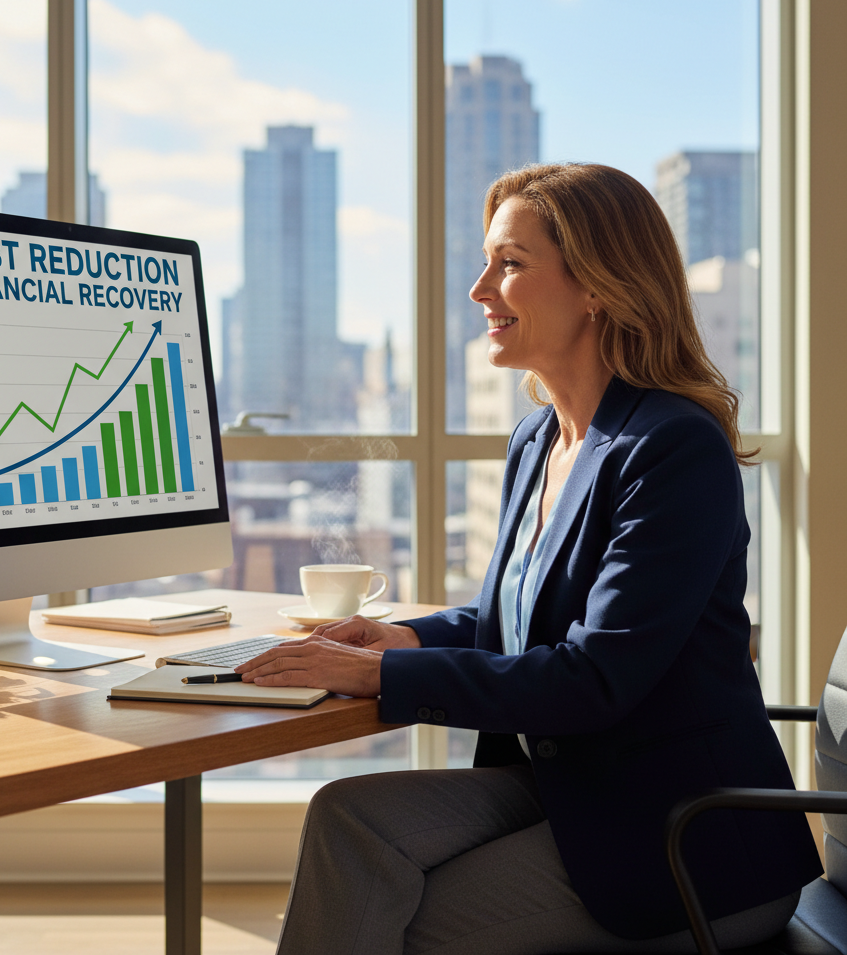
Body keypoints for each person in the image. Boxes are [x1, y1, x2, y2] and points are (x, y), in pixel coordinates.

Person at [235, 163, 822, 955]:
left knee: (387, 920)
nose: (480, 289)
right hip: (569, 786)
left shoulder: (672, 449)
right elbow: (518, 615)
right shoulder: (540, 439)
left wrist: (381, 679)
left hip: (683, 841)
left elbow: (594, 676)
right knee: (349, 822)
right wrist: (405, 641)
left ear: (598, 287)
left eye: (509, 264)